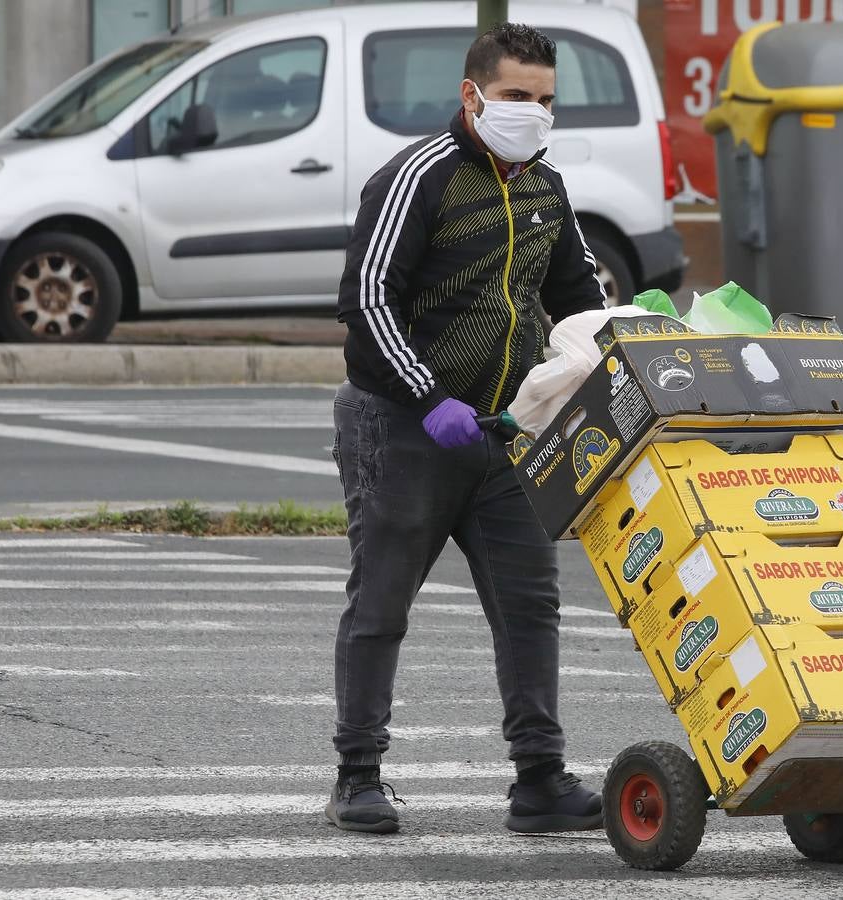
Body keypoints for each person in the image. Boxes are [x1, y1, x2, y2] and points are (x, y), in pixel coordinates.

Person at [326, 22, 608, 836]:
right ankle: (357, 775)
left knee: (530, 607)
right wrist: (425, 396)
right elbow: (367, 300)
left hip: (505, 436)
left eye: (547, 100)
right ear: (473, 94)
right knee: (380, 606)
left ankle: (540, 779)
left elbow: (579, 300)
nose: (534, 112)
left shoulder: (546, 188)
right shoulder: (418, 177)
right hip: (403, 429)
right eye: (518, 96)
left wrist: (632, 340)